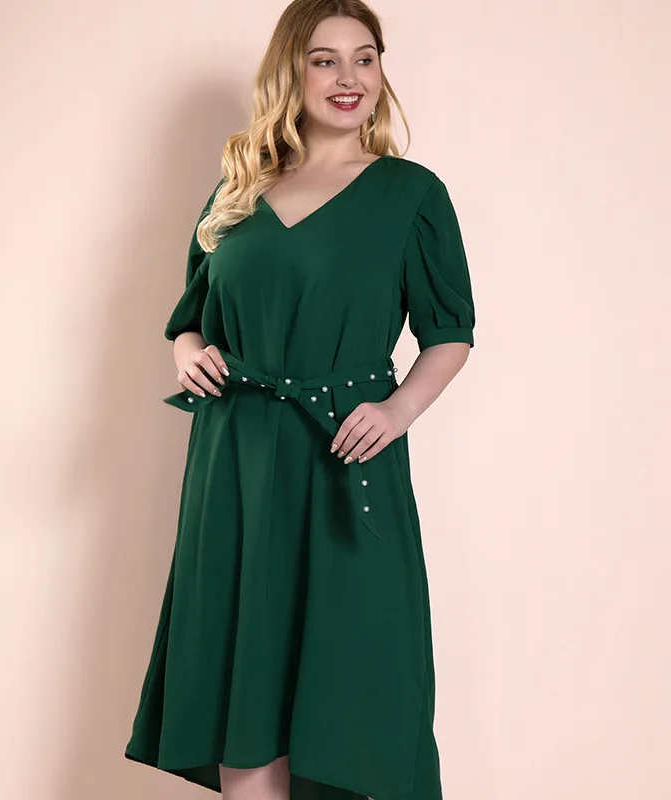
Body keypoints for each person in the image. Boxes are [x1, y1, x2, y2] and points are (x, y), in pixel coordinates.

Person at [124, 1, 476, 798]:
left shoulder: (411, 194)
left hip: (344, 456)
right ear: (292, 71)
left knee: (353, 689)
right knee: (243, 688)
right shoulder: (238, 188)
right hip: (235, 461)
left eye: (364, 57)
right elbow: (189, 319)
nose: (349, 77)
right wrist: (190, 355)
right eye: (324, 60)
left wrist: (397, 411)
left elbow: (450, 333)